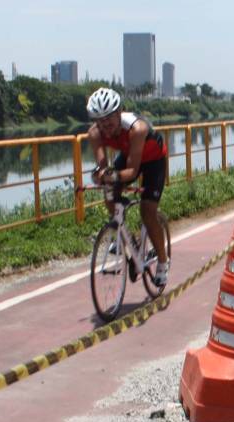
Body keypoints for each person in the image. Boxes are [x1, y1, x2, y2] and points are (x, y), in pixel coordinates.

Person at [85, 87, 171, 286]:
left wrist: (110, 176)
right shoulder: (95, 133)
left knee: (147, 211)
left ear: (119, 112)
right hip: (130, 154)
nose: (105, 126)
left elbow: (131, 172)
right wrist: (100, 174)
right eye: (100, 121)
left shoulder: (137, 128)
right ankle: (128, 236)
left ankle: (163, 262)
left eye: (109, 119)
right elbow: (103, 166)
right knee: (109, 194)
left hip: (153, 159)